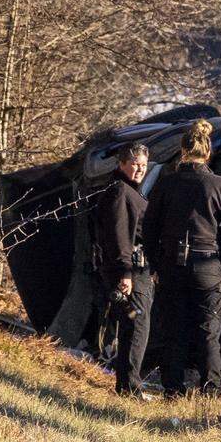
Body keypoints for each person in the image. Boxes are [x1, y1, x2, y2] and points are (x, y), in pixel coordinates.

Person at [142, 120, 221, 397]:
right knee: (208, 331)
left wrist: (154, 264)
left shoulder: (166, 184)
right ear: (208, 152)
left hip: (172, 265)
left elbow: (149, 227)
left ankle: (173, 390)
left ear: (182, 151)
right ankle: (211, 389)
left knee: (174, 331)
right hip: (208, 265)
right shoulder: (219, 184)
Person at [93, 143, 154, 398]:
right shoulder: (120, 191)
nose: (140, 169)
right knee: (136, 325)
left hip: (138, 271)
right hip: (130, 272)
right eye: (135, 164)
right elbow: (119, 237)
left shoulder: (130, 191)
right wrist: (125, 273)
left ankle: (128, 384)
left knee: (135, 326)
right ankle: (130, 386)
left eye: (143, 165)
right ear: (121, 164)